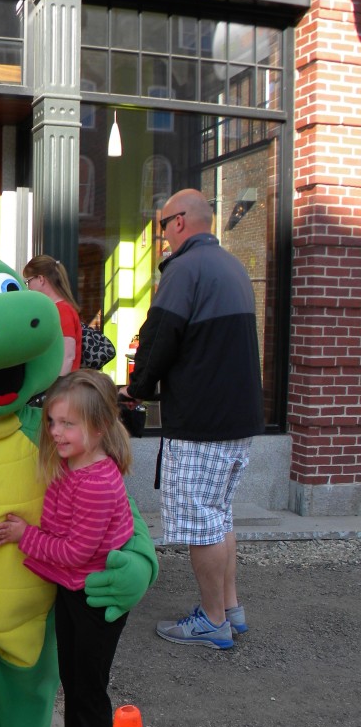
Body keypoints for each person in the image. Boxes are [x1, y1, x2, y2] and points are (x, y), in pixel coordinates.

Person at [119, 188, 264, 649]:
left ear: (179, 221)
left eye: (162, 225)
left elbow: (159, 337)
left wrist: (135, 390)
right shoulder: (232, 266)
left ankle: (214, 620)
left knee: (201, 523)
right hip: (236, 419)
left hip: (201, 422)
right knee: (219, 518)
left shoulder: (184, 269)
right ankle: (232, 609)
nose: (161, 236)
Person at [0, 369, 134, 727]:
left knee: (89, 690)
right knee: (73, 684)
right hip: (73, 591)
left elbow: (75, 550)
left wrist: (22, 536)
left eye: (68, 424)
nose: (55, 432)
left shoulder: (96, 480)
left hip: (94, 599)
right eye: (52, 422)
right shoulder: (70, 465)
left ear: (98, 428)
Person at [22, 255, 82, 376]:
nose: (28, 287)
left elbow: (67, 356)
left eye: (28, 281)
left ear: (40, 279)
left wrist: (56, 387)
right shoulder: (58, 309)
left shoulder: (62, 310)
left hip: (59, 387)